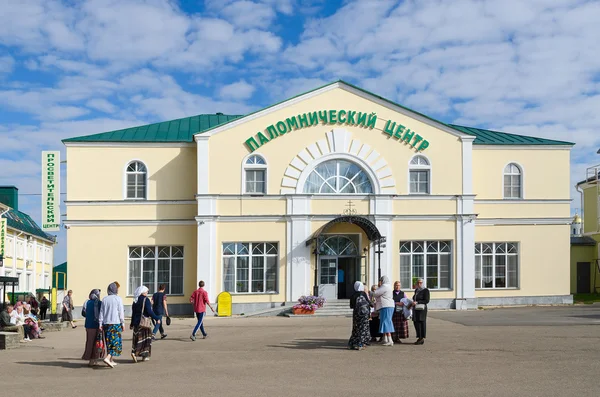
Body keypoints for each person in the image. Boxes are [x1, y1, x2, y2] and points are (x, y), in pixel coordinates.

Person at [130, 286, 161, 363]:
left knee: (137, 338)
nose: (147, 293)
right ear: (143, 292)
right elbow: (149, 312)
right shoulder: (145, 300)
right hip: (144, 323)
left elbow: (133, 313)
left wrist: (131, 323)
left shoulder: (135, 300)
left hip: (136, 323)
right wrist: (157, 318)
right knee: (145, 339)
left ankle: (134, 352)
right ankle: (143, 355)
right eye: (146, 291)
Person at [99, 282, 125, 368]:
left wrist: (100, 323)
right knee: (115, 342)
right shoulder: (118, 299)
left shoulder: (104, 299)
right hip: (115, 323)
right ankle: (108, 357)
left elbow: (101, 312)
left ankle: (111, 360)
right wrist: (123, 323)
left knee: (108, 341)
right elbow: (121, 312)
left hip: (106, 323)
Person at [82, 289, 105, 367]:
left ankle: (89, 359)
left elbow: (83, 313)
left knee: (89, 342)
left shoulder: (87, 302)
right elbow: (103, 314)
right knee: (97, 343)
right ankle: (94, 359)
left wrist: (89, 316)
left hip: (89, 325)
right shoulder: (100, 303)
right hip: (98, 326)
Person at [348, 281, 371, 350]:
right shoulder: (363, 293)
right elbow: (368, 302)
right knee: (363, 328)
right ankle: (360, 344)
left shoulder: (353, 295)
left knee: (356, 329)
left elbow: (351, 306)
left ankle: (352, 343)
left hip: (356, 314)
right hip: (364, 314)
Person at [373, 275, 395, 346]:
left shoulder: (385, 286)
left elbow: (375, 293)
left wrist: (372, 292)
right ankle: (385, 339)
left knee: (386, 322)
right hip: (386, 306)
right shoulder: (388, 286)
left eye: (380, 281)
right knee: (384, 321)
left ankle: (390, 340)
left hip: (386, 306)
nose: (380, 282)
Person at [412, 278, 431, 345]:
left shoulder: (426, 290)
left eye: (420, 282)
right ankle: (419, 337)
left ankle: (421, 338)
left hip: (422, 309)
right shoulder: (417, 290)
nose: (419, 284)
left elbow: (426, 300)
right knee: (416, 323)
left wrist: (417, 302)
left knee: (421, 323)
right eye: (418, 282)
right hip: (416, 309)